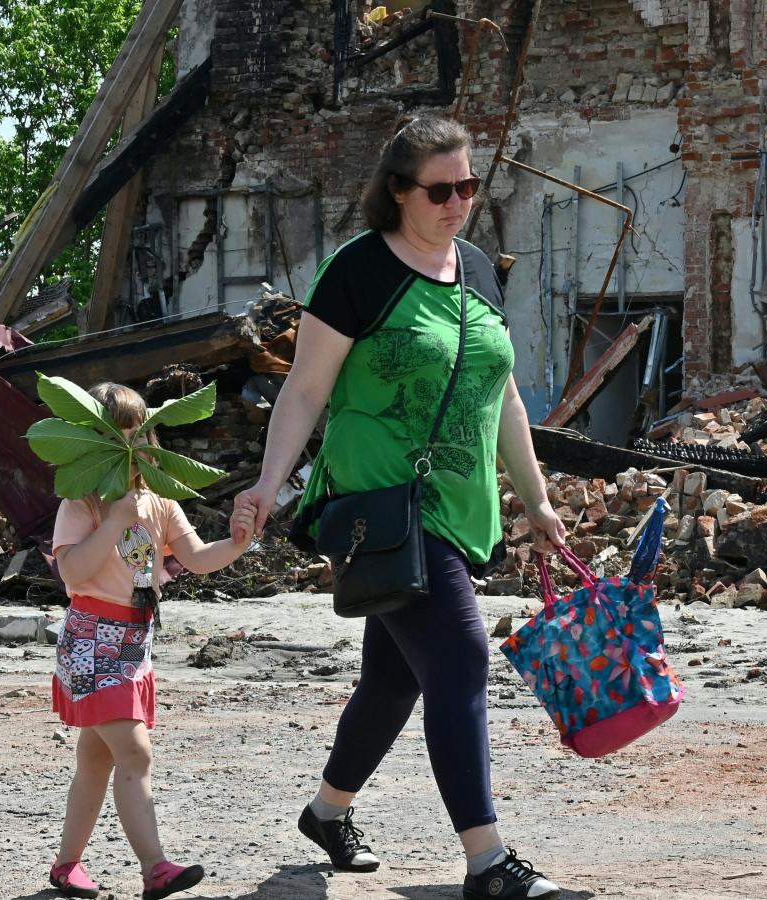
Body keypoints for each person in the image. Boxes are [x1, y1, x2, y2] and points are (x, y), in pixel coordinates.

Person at [233, 117, 569, 900]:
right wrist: (264, 483)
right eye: (440, 190)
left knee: (393, 679)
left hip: (457, 504)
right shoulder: (358, 271)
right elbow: (306, 388)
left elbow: (505, 397)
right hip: (379, 505)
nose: (459, 203)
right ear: (398, 191)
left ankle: (326, 811)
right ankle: (488, 861)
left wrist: (538, 501)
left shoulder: (479, 271)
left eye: (469, 187)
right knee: (459, 657)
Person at [46, 382, 257, 900]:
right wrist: (114, 519)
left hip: (134, 642)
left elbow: (198, 558)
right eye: (115, 429)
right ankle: (156, 868)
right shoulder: (82, 501)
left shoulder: (160, 503)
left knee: (96, 763)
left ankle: (65, 867)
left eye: (138, 428)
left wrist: (237, 542)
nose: (129, 440)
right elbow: (73, 574)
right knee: (135, 753)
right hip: (92, 638)